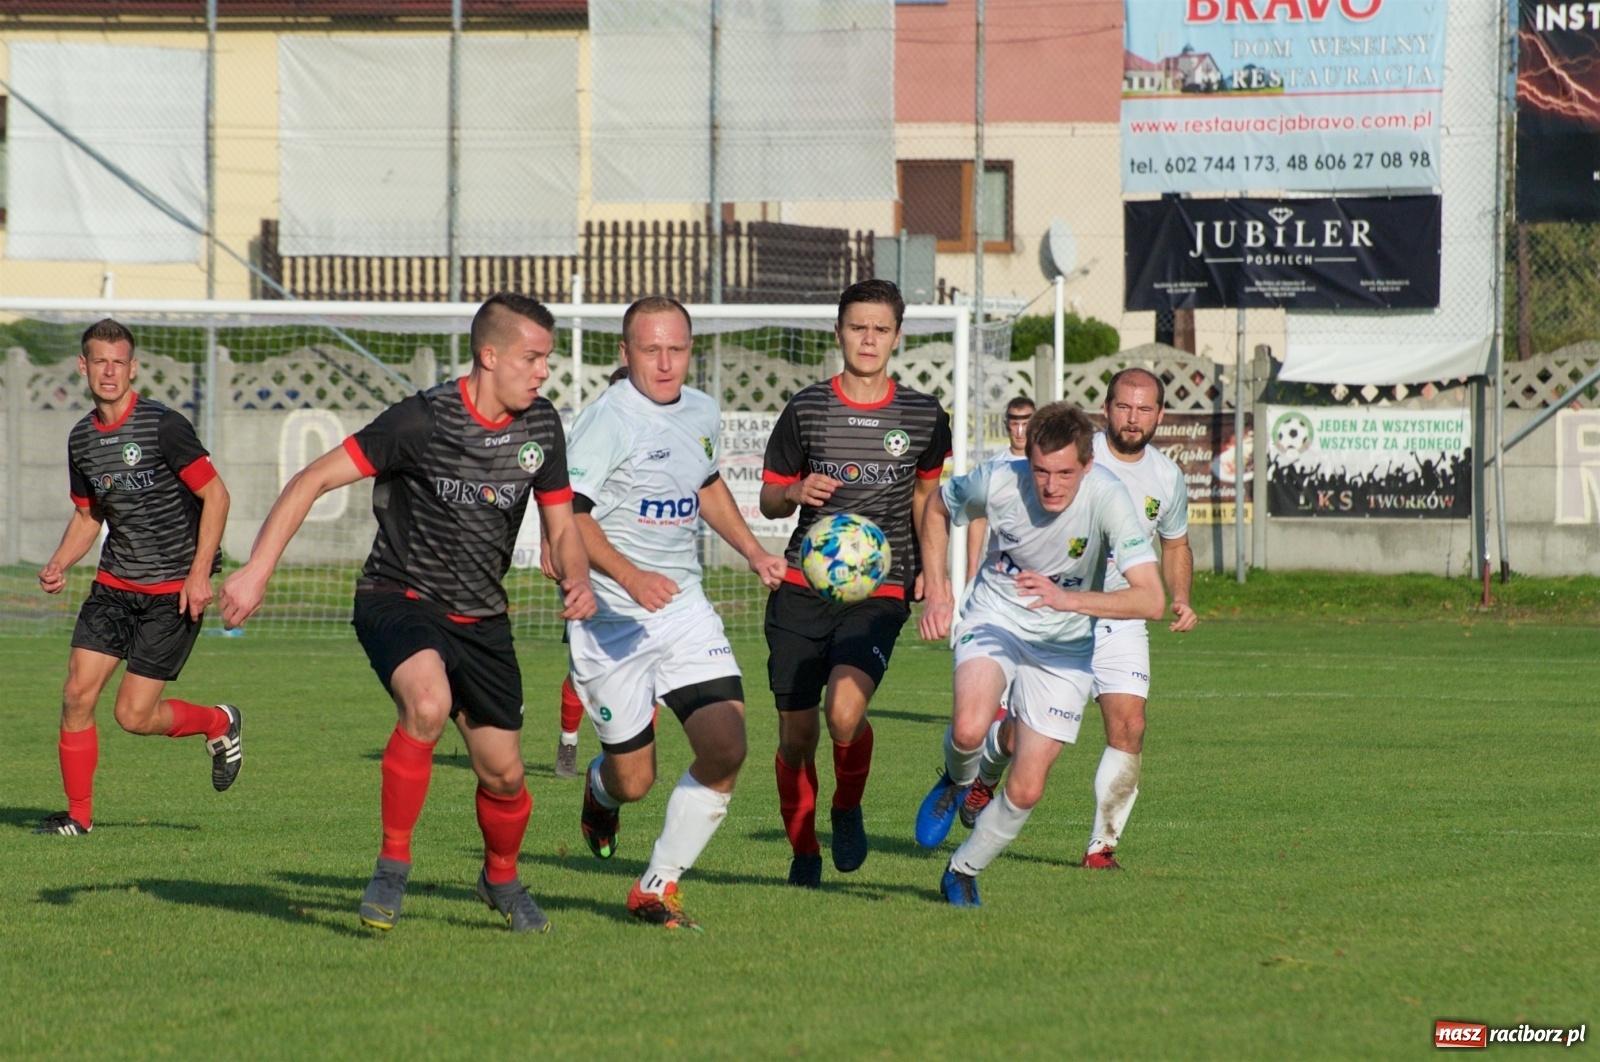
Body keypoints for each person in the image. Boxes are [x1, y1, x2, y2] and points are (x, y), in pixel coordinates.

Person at [219, 292, 595, 934]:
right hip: (399, 597)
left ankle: (500, 877)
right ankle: (392, 865)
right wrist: (256, 570)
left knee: (504, 775)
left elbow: (562, 524)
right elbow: (311, 478)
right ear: (490, 354)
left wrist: (576, 571)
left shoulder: (542, 428)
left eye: (546, 360)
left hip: (482, 617)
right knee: (426, 704)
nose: (542, 372)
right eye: (532, 359)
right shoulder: (421, 421)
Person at [566, 295, 785, 930]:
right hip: (612, 621)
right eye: (650, 349)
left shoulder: (702, 411)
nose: (665, 363)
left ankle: (655, 887)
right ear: (625, 352)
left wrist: (751, 552)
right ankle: (601, 791)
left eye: (677, 349)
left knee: (727, 746)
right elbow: (572, 516)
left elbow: (707, 483)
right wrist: (630, 577)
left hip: (684, 609)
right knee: (635, 780)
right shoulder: (607, 419)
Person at [913, 402, 1165, 907]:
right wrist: (939, 591)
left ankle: (962, 870)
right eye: (1041, 471)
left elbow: (1152, 599)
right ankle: (955, 780)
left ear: (1087, 465)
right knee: (967, 727)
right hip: (994, 619)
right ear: (1026, 459)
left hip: (1065, 646)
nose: (1052, 486)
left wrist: (1068, 598)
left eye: (1065, 473)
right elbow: (936, 508)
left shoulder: (1108, 498)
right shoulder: (998, 480)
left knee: (1027, 790)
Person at [959, 369, 1196, 869]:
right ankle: (984, 775)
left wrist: (1181, 596)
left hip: (1119, 617)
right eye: (1124, 407)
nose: (1134, 419)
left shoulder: (1167, 477)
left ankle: (1101, 846)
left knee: (1130, 725)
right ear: (1105, 410)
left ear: (1160, 416)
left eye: (1145, 409)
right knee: (1021, 735)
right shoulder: (1072, 457)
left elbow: (1174, 542)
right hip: (1049, 615)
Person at [760, 279, 953, 888]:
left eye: (881, 329)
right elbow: (769, 498)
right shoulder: (807, 409)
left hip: (880, 588)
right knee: (796, 737)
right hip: (800, 586)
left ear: (897, 337)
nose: (868, 339)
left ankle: (846, 806)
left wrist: (933, 575)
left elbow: (928, 499)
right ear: (838, 331)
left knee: (844, 714)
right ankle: (804, 851)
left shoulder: (922, 415)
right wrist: (792, 492)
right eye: (857, 327)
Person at [35, 318, 241, 836]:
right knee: (77, 695)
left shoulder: (162, 426)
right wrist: (61, 560)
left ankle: (218, 723)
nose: (109, 371)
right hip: (115, 587)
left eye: (118, 361)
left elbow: (216, 496)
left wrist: (199, 575)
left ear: (133, 367)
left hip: (173, 592)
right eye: (99, 360)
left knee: (133, 716)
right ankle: (78, 818)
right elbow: (89, 515)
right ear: (84, 366)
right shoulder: (82, 438)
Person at [548, 362, 633, 779]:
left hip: (636, 569)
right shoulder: (591, 432)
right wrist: (550, 543)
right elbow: (558, 496)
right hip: (587, 567)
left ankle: (624, 756)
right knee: (585, 670)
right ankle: (568, 745)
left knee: (640, 668)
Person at [965, 396, 1035, 585]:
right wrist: (971, 570)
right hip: (1001, 566)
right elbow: (978, 520)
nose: (1020, 432)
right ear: (1006, 425)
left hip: (1039, 562)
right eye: (1015, 424)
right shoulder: (992, 467)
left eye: (1026, 424)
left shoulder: (1047, 463)